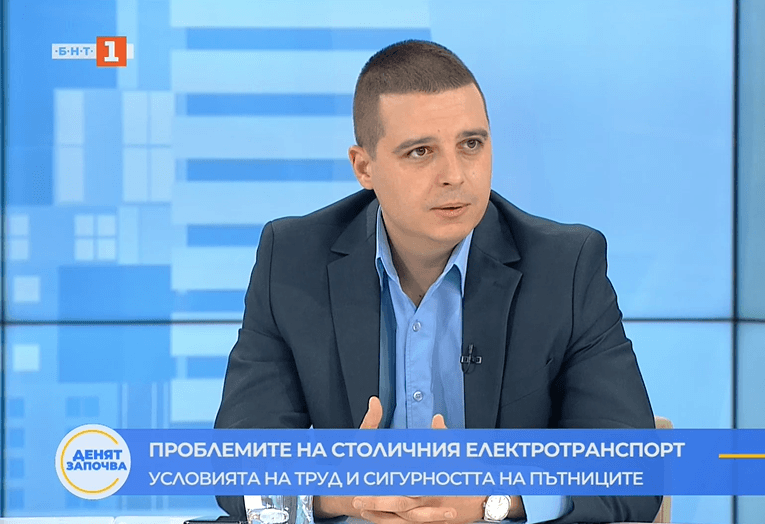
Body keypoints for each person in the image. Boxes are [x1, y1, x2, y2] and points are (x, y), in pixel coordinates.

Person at [215, 40, 660, 523]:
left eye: (471, 144)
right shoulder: (293, 259)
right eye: (421, 151)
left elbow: (632, 469)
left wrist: (492, 499)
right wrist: (344, 493)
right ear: (364, 167)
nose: (454, 175)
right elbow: (237, 464)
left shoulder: (564, 266)